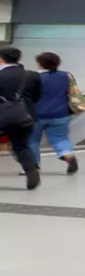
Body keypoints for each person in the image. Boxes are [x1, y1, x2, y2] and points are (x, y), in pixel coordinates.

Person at [32, 52, 80, 175]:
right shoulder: (66, 76)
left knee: (32, 140)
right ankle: (67, 155)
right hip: (60, 113)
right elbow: (73, 92)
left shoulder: (33, 76)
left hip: (36, 114)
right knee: (60, 138)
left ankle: (33, 166)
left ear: (40, 64)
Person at [0, 46, 40, 190]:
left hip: (2, 115)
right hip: (24, 115)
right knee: (21, 146)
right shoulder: (31, 75)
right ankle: (31, 170)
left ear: (1, 59)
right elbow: (36, 96)